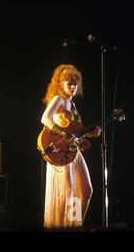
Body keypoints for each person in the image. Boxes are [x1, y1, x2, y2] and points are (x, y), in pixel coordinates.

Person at [40, 64, 101, 229]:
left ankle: (75, 224)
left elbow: (75, 131)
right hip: (62, 153)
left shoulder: (72, 104)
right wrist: (62, 134)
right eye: (69, 84)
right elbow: (45, 118)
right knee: (69, 193)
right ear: (61, 84)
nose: (73, 88)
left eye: (75, 84)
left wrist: (90, 133)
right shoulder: (58, 99)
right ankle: (69, 227)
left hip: (74, 152)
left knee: (86, 190)